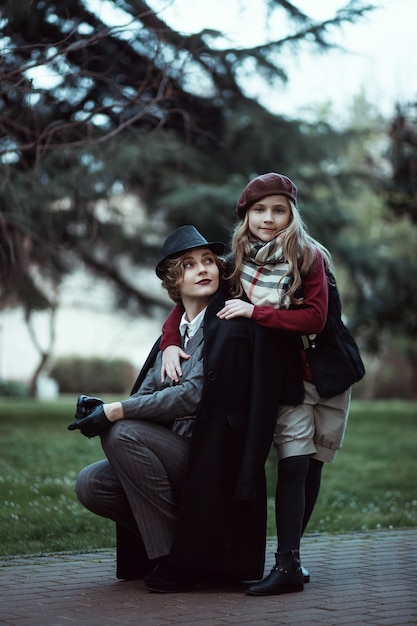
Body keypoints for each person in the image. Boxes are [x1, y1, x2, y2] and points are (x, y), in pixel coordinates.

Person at [68, 224, 304, 593]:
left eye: (209, 261)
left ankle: (175, 560)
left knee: (123, 430)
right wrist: (108, 406)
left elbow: (194, 394)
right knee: (92, 483)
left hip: (211, 460)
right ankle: (191, 549)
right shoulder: (174, 334)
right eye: (190, 265)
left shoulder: (228, 325)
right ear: (173, 281)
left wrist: (116, 411)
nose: (204, 269)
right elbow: (146, 392)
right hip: (176, 454)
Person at [160, 174, 365, 596]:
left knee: (312, 466)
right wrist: (168, 343)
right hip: (284, 377)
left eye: (278, 210)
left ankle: (293, 555)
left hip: (328, 374)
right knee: (292, 462)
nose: (268, 219)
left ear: (291, 213)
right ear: (246, 216)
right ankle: (286, 566)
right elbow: (192, 301)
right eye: (259, 210)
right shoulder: (237, 262)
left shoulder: (309, 256)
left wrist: (255, 314)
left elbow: (315, 319)